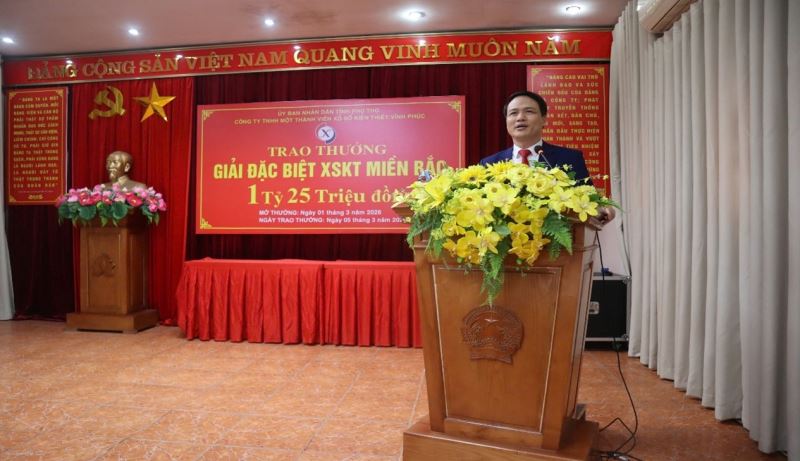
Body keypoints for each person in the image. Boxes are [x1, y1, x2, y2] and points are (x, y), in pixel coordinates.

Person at [481, 90, 614, 223]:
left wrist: (603, 209)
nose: (520, 118)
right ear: (506, 121)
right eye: (513, 113)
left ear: (543, 119)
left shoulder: (570, 158)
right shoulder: (489, 164)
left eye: (529, 111)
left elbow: (588, 199)